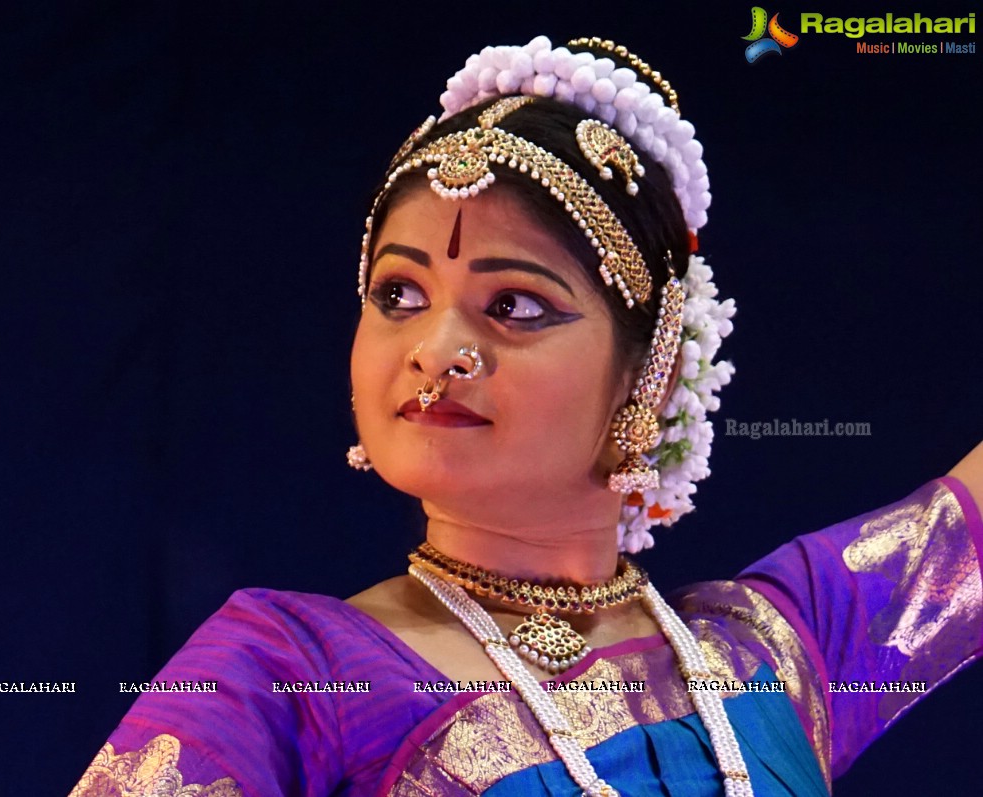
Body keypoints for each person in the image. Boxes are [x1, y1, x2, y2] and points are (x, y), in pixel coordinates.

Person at [66, 35, 983, 796]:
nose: (436, 350)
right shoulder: (287, 675)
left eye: (514, 305)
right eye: (398, 293)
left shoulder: (774, 649)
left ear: (650, 377)